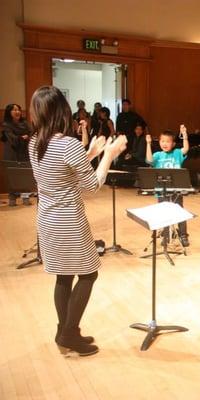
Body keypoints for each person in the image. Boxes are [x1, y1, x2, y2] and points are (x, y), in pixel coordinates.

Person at [28, 85, 127, 356]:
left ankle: (64, 330)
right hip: (69, 219)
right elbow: (92, 184)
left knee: (63, 275)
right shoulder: (68, 143)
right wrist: (109, 154)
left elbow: (63, 171)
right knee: (88, 273)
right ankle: (70, 333)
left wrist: (92, 153)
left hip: (47, 218)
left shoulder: (36, 140)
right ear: (63, 109)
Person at [145, 125, 190, 246]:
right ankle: (165, 235)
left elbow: (185, 149)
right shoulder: (157, 155)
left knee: (179, 211)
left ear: (173, 143)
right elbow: (149, 160)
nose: (165, 143)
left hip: (176, 188)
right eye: (162, 141)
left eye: (168, 141)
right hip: (161, 189)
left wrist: (184, 135)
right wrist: (148, 144)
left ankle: (183, 235)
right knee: (163, 212)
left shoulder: (176, 153)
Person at [2, 103, 33, 205]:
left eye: (18, 109)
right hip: (11, 152)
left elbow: (31, 133)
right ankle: (12, 197)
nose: (17, 112)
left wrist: (28, 137)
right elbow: (11, 139)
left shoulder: (25, 123)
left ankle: (25, 197)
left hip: (24, 151)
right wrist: (21, 138)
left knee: (24, 173)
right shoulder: (6, 124)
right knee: (12, 174)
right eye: (14, 110)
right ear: (9, 112)